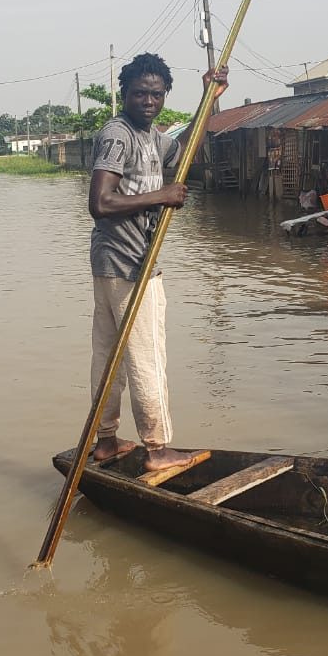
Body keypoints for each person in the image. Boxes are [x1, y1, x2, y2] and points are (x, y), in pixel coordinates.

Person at [88, 52, 228, 472]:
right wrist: (161, 196)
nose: (148, 101)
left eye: (155, 94)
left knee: (107, 355)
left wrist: (209, 98)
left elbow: (185, 154)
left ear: (165, 95)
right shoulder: (119, 134)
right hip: (130, 264)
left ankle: (106, 441)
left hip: (113, 262)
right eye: (139, 94)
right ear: (124, 94)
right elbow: (100, 202)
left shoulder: (151, 137)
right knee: (147, 356)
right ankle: (156, 449)